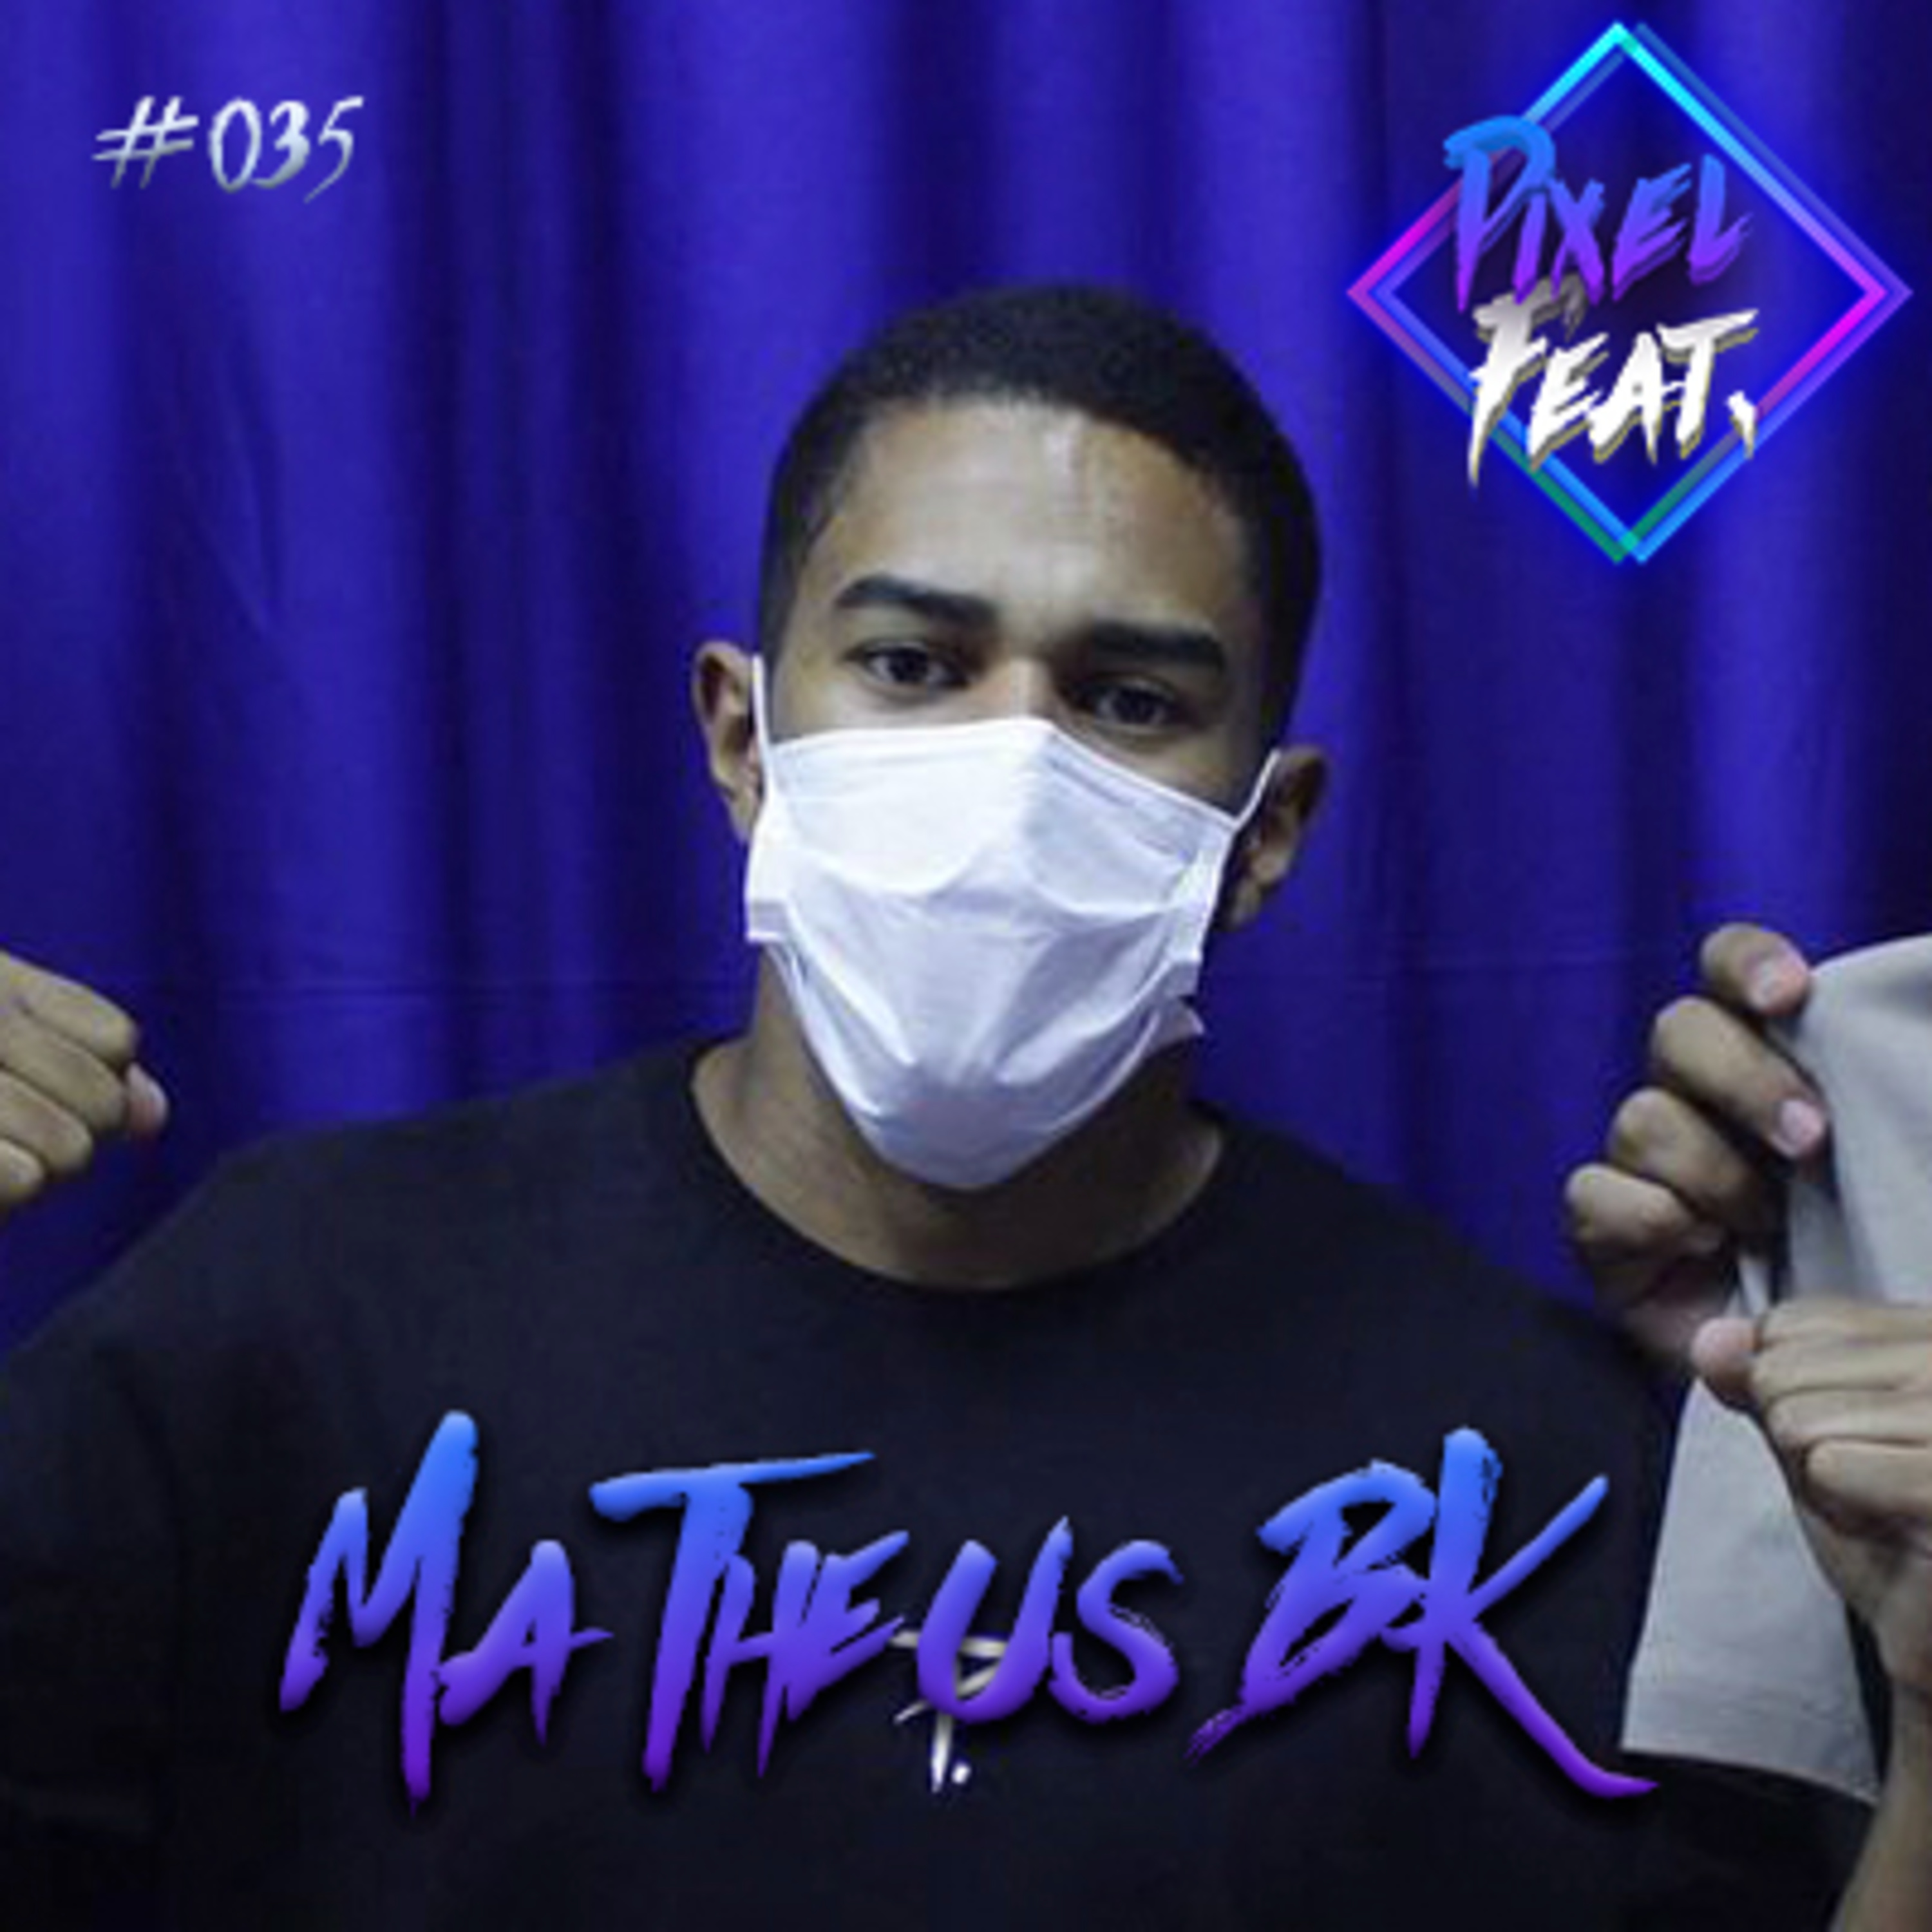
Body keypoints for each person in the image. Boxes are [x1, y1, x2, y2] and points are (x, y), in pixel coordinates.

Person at [0, 286, 1908, 1928]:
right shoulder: (293, 1325)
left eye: (1129, 701)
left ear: (1267, 834)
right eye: (913, 666)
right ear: (745, 738)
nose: (1010, 770)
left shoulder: (1522, 1469)